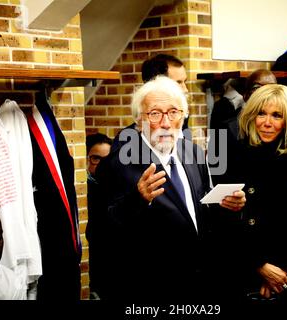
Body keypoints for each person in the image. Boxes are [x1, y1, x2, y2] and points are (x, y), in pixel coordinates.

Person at [93, 75, 245, 301]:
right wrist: (137, 200)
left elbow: (198, 215)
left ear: (183, 117)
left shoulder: (192, 153)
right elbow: (99, 235)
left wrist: (226, 206)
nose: (165, 123)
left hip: (198, 286)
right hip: (149, 291)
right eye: (154, 114)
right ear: (138, 120)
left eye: (173, 112)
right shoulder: (116, 165)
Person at [211, 84, 287, 301]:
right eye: (261, 113)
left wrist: (281, 273)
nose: (267, 123)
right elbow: (223, 221)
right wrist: (259, 266)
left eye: (276, 115)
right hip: (246, 271)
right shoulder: (234, 155)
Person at [112, 54, 191, 151]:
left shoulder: (182, 124)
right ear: (154, 84)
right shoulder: (126, 142)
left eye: (184, 82)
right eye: (178, 83)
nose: (185, 89)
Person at [84, 132, 112, 300]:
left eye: (107, 159)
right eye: (96, 158)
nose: (102, 164)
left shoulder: (118, 188)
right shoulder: (82, 189)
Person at [210, 70, 277, 130]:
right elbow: (218, 142)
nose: (264, 93)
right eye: (256, 88)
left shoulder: (282, 123)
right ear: (245, 96)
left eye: (271, 88)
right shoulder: (230, 127)